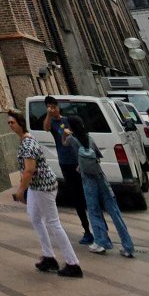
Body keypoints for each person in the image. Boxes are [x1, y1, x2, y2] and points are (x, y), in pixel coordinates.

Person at [8, 108, 83, 277]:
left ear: (21, 123)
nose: (10, 125)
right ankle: (49, 257)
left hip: (43, 186)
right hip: (36, 186)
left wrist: (20, 191)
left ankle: (73, 263)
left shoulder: (28, 144)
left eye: (13, 122)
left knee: (53, 222)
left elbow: (29, 170)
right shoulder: (26, 139)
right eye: (9, 123)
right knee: (35, 217)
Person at [61, 115, 134, 258]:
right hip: (100, 176)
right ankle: (128, 246)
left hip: (88, 179)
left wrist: (64, 133)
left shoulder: (72, 139)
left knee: (93, 210)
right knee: (114, 211)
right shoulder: (89, 138)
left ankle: (101, 242)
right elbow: (97, 156)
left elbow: (63, 144)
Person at [42, 96, 93, 245]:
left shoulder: (69, 120)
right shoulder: (52, 122)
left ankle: (98, 229)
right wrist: (48, 115)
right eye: (49, 107)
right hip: (66, 164)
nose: (52, 109)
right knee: (77, 198)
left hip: (80, 162)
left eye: (54, 107)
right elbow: (46, 128)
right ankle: (87, 230)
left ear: (58, 107)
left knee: (89, 195)